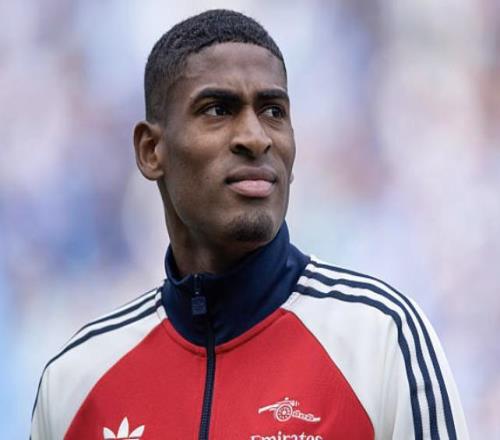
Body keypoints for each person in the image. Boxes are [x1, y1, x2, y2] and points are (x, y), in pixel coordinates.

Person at [31, 9, 468, 440]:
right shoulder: (75, 382)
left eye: (273, 111)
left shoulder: (382, 339)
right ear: (151, 150)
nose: (256, 137)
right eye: (218, 109)